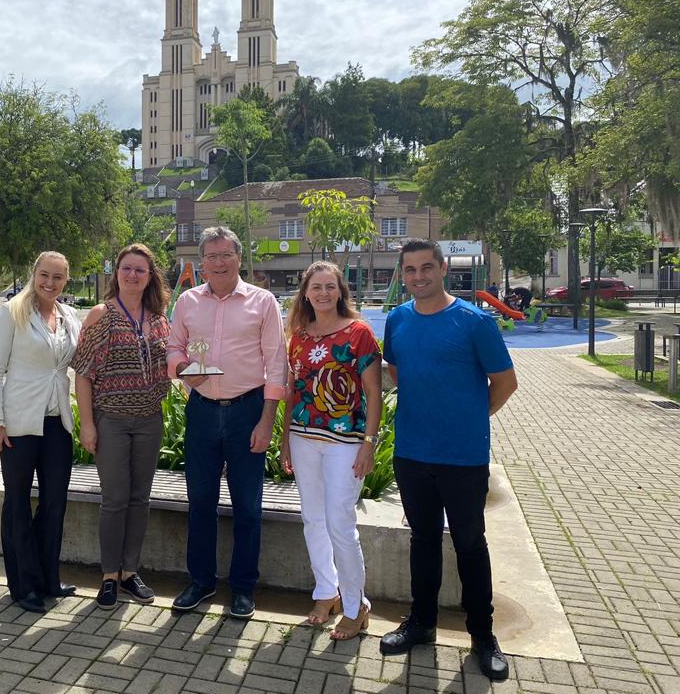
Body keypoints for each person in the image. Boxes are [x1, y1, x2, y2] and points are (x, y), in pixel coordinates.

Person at [381, 239, 518, 680]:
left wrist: (469, 418)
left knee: (470, 543)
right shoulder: (397, 320)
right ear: (402, 274)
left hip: (463, 456)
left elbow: (505, 382)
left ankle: (482, 635)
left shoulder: (474, 321)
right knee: (422, 539)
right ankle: (422, 623)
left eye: (426, 267)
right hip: (411, 452)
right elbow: (397, 373)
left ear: (442, 269)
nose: (418, 276)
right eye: (410, 270)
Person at [167, 226, 287, 620]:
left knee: (247, 505)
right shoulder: (187, 301)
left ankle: (242, 588)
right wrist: (183, 369)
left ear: (239, 258)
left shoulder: (263, 301)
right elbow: (174, 347)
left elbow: (276, 365)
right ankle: (200, 582)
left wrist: (267, 421)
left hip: (247, 411)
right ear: (202, 262)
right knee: (199, 502)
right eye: (211, 256)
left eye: (226, 255)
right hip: (201, 410)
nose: (219, 262)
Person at [280, 261, 381, 640]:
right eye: (316, 287)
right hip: (305, 438)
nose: (323, 293)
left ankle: (357, 607)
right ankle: (327, 592)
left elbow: (373, 393)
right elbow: (293, 391)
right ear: (305, 292)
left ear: (340, 291)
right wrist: (285, 440)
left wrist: (368, 444)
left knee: (341, 524)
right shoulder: (299, 335)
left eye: (330, 286)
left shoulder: (359, 334)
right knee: (313, 520)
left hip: (346, 443)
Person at [72, 244, 171, 610]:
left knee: (140, 499)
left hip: (149, 420)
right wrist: (88, 425)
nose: (132, 275)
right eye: (126, 268)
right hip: (111, 419)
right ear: (116, 273)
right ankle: (109, 576)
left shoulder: (159, 318)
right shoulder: (102, 315)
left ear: (150, 277)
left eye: (140, 270)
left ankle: (131, 572)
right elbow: (83, 374)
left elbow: (173, 364)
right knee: (114, 500)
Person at [0, 251, 81, 614]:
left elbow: (82, 361)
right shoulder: (13, 312)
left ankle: (48, 579)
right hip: (19, 422)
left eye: (58, 277)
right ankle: (23, 585)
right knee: (17, 503)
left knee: (55, 502)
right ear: (34, 273)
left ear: (66, 280)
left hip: (57, 421)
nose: (50, 283)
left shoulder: (70, 316)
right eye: (44, 275)